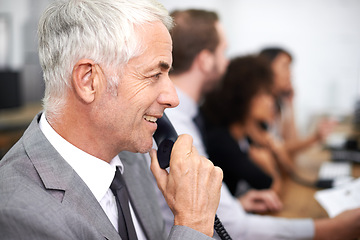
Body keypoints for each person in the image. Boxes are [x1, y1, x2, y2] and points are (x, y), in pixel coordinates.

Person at [0, 1, 224, 239]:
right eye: (154, 74)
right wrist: (193, 222)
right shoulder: (19, 213)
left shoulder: (133, 159)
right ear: (88, 80)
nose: (173, 98)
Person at [157, 8, 360, 240]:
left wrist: (232, 204)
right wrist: (329, 229)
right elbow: (234, 228)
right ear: (205, 60)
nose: (226, 64)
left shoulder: (191, 116)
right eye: (224, 53)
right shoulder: (177, 122)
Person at [202, 55, 284, 199]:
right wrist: (268, 165)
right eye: (264, 94)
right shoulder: (222, 141)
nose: (271, 102)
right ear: (244, 97)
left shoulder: (246, 131)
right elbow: (272, 189)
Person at [259, 47, 336, 159]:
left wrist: (290, 104)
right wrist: (314, 138)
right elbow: (277, 149)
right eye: (285, 67)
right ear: (267, 68)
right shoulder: (260, 106)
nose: (290, 74)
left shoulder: (278, 103)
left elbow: (291, 145)